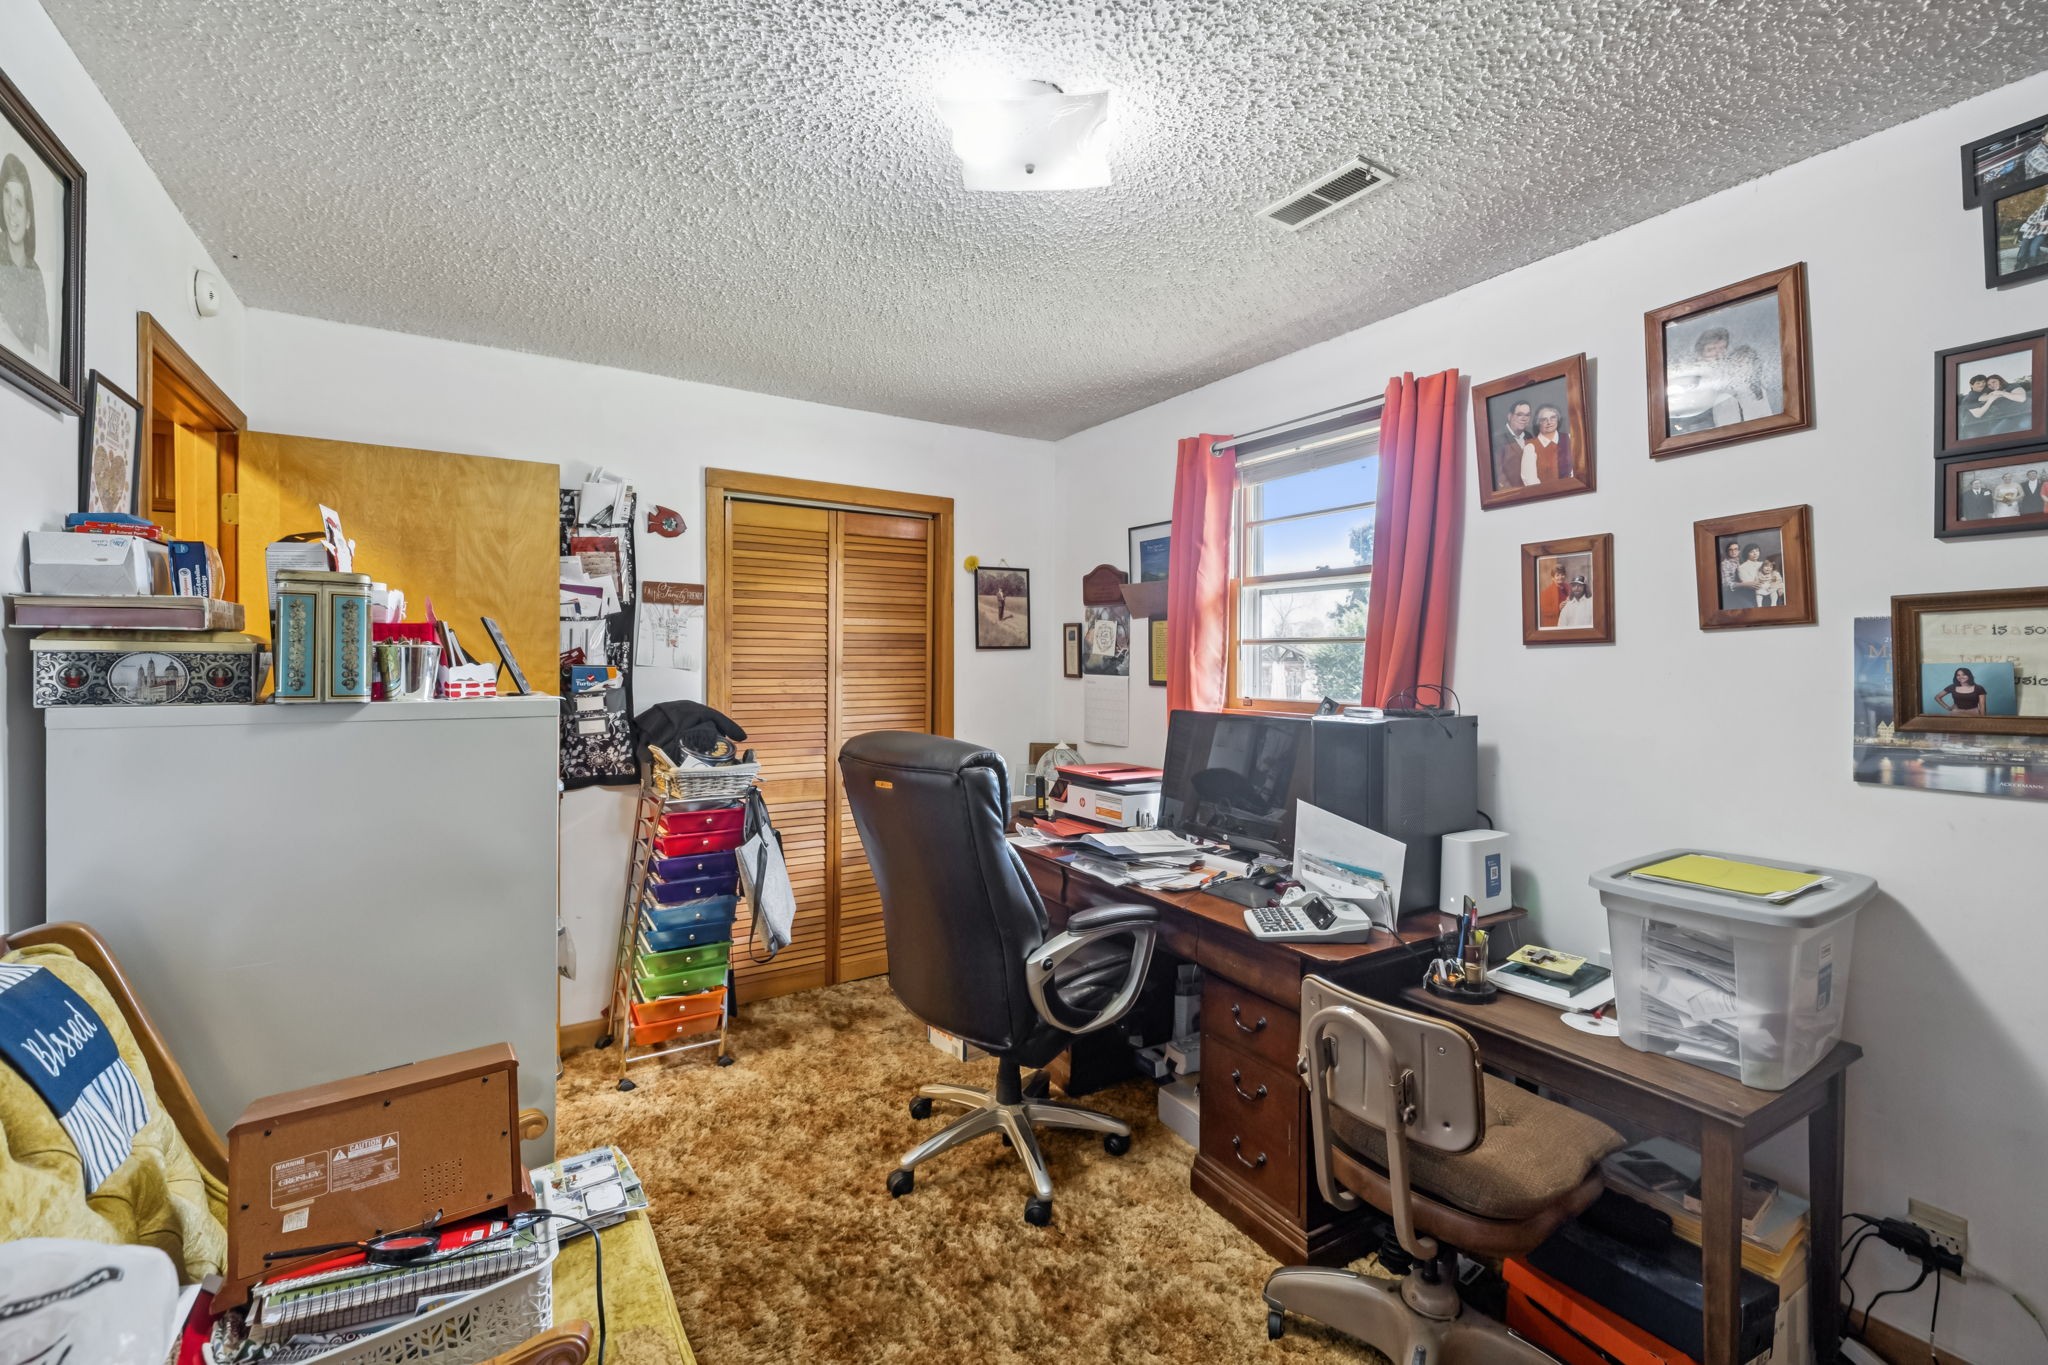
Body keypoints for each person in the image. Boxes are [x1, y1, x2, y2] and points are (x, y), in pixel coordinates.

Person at [0, 153, 50, 363]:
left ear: (29, 219)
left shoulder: (35, 275)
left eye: (19, 202)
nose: (11, 209)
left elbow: (44, 357)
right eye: (7, 196)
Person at [1710, 344, 1773, 427]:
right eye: (1737, 364)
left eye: (1747, 362)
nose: (1743, 368)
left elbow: (1769, 420)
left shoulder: (1759, 391)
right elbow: (1729, 431)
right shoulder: (1725, 399)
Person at [1495, 400, 1533, 490]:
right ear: (1510, 416)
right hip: (1513, 495)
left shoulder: (1529, 436)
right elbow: (1497, 473)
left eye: (1527, 415)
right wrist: (1513, 493)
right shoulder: (1497, 439)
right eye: (1519, 414)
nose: (1524, 418)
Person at [1531, 405, 1570, 482]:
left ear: (1558, 419)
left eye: (1553, 418)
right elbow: (1530, 480)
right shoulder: (1531, 446)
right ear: (1538, 423)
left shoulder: (1569, 438)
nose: (1549, 422)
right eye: (1544, 419)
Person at [1718, 541, 1745, 609]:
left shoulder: (1742, 562)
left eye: (1736, 549)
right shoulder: (1724, 564)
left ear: (1739, 551)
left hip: (1745, 590)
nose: (1733, 552)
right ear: (1727, 552)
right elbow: (1726, 584)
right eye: (1731, 550)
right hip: (1732, 593)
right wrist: (1745, 584)